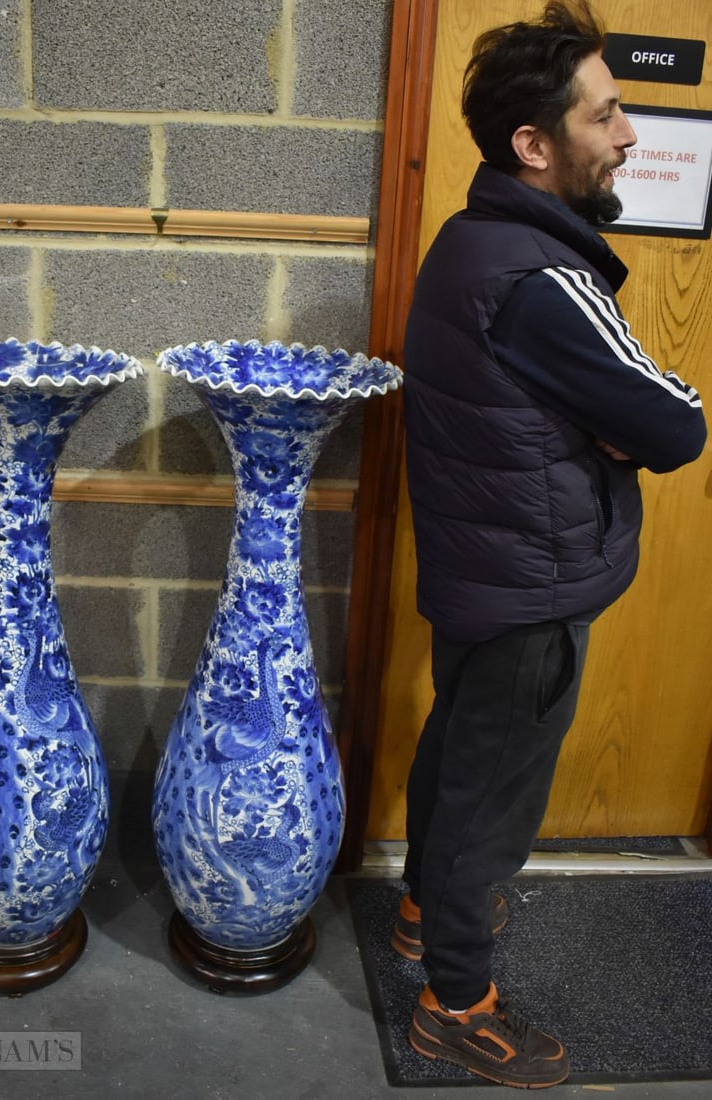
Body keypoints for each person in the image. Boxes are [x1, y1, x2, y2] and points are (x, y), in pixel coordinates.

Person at [394, 0, 707, 1089]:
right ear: (533, 145)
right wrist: (615, 435)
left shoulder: (470, 241)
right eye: (607, 113)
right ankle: (456, 999)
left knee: (458, 755)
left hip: (481, 569)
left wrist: (600, 423)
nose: (627, 135)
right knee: (497, 795)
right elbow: (676, 421)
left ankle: (422, 912)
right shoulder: (545, 281)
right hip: (529, 588)